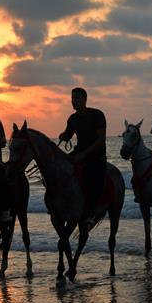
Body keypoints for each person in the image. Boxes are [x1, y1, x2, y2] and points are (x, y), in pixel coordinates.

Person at [58, 87, 107, 226]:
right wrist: (64, 136)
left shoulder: (97, 115)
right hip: (79, 152)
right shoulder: (72, 118)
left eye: (77, 98)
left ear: (85, 99)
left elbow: (101, 139)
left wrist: (84, 154)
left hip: (96, 155)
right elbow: (68, 135)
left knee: (93, 178)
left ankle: (92, 212)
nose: (74, 101)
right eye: (72, 98)